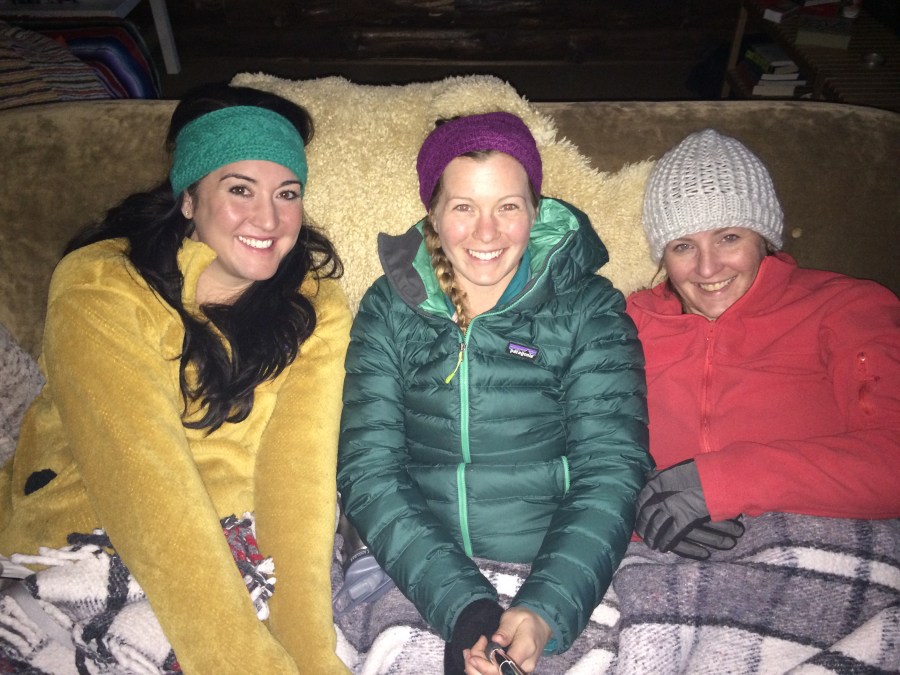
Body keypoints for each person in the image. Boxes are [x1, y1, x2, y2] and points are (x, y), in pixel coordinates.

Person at [0, 83, 351, 673]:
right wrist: (247, 664)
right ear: (188, 198)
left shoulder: (314, 305)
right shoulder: (101, 284)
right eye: (240, 189)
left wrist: (312, 656)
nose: (269, 219)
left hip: (243, 553)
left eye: (287, 194)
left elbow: (298, 480)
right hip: (90, 535)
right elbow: (142, 481)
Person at [337, 111, 651, 674]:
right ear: (433, 215)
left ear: (535, 209)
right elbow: (368, 470)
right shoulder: (389, 308)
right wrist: (465, 606)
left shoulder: (591, 310)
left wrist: (543, 609)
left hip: (560, 571)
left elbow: (610, 468)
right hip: (417, 569)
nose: (487, 233)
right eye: (464, 207)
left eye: (508, 207)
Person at [626, 129, 900, 560]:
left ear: (764, 237)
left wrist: (724, 482)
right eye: (683, 246)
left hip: (816, 544)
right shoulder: (627, 322)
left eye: (729, 237)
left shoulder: (845, 307)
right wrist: (632, 500)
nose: (707, 267)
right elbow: (558, 440)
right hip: (650, 557)